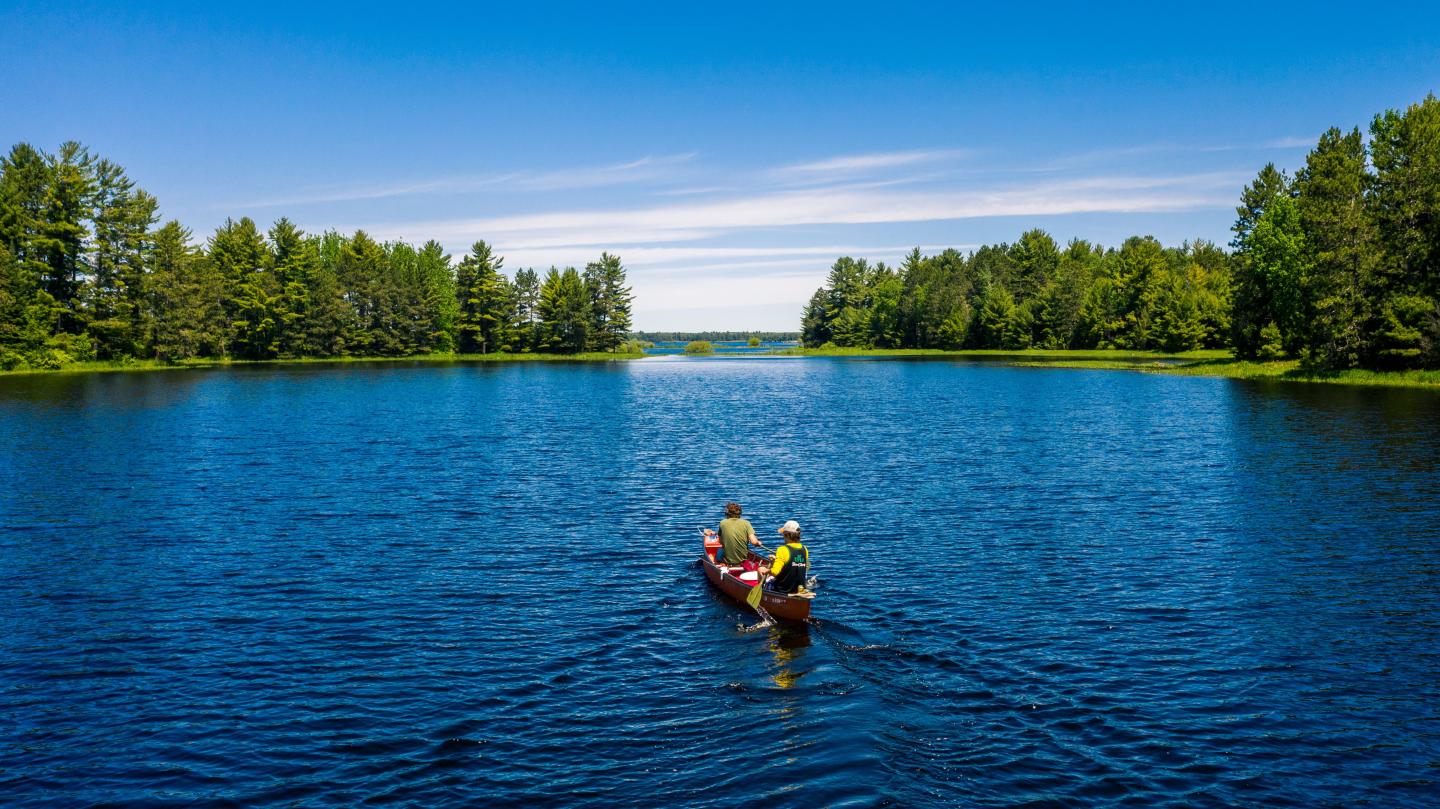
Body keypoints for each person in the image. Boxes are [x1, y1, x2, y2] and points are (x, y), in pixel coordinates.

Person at [762, 520, 810, 595]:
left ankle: (763, 594)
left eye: (783, 534)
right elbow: (795, 564)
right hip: (799, 590)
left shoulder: (782, 550)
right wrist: (776, 560)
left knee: (760, 569)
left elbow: (775, 572)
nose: (782, 536)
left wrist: (766, 570)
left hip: (783, 590)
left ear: (787, 535)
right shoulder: (805, 549)